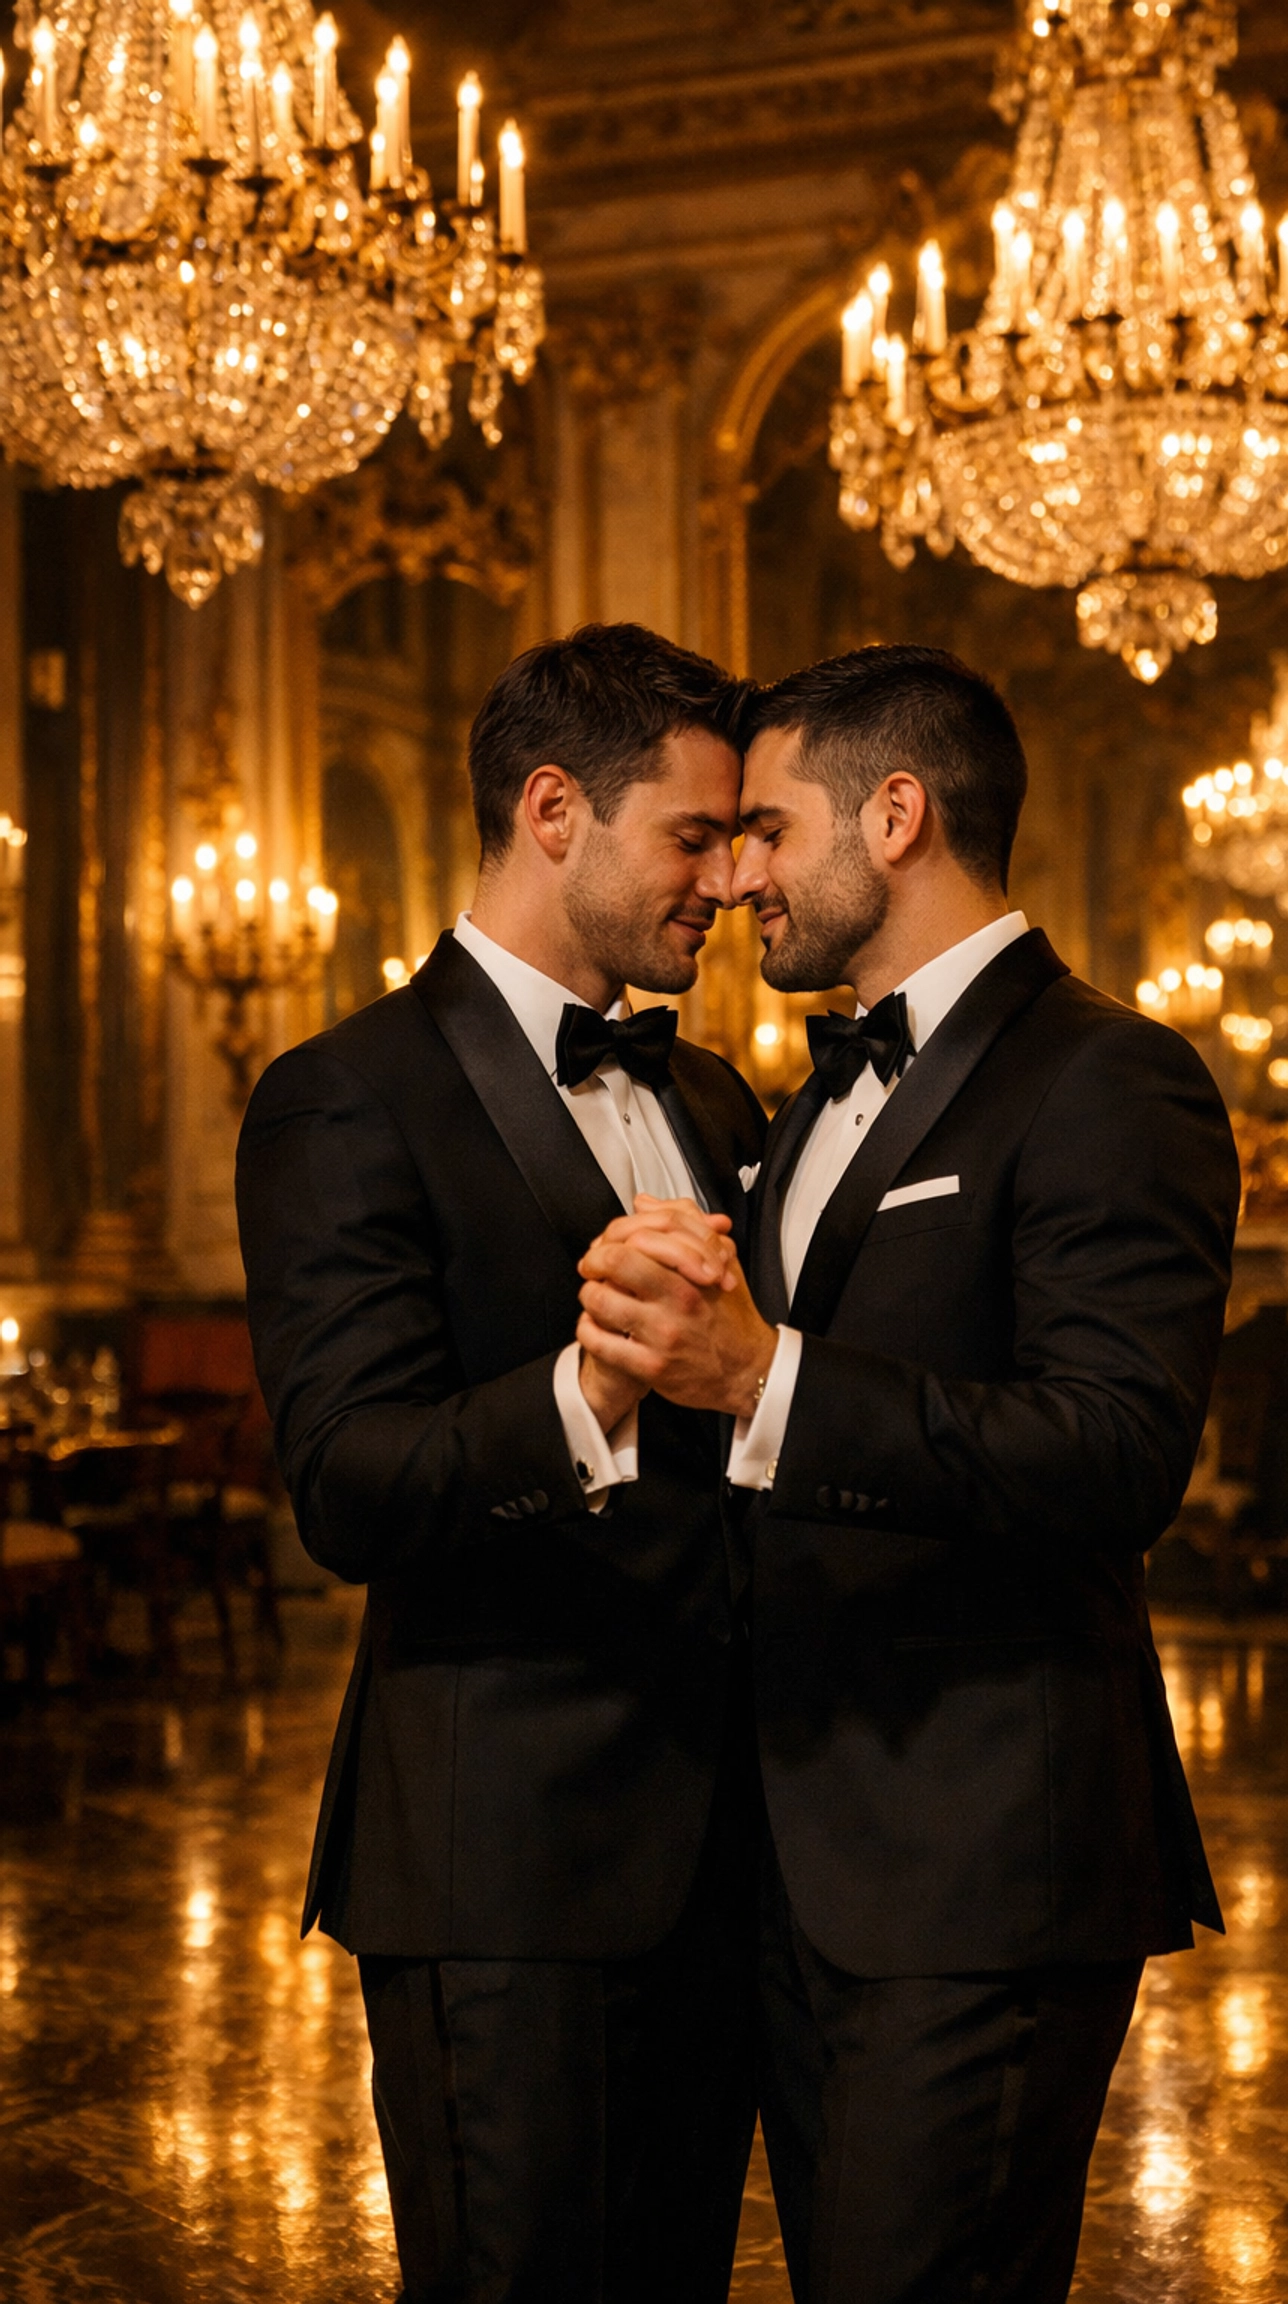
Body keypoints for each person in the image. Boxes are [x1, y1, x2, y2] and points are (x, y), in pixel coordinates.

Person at [576, 643, 1241, 2304]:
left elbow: (1117, 1452)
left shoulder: (1108, 1075)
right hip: (786, 1872)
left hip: (984, 1866)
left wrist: (768, 1376)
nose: (736, 880)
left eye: (770, 831)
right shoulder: (810, 1100)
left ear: (897, 813)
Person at [235, 623, 767, 2304]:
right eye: (693, 835)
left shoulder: (720, 1095)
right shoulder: (344, 1098)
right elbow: (350, 1485)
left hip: (738, 1855)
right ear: (554, 810)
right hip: (501, 1857)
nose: (729, 882)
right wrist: (589, 1391)